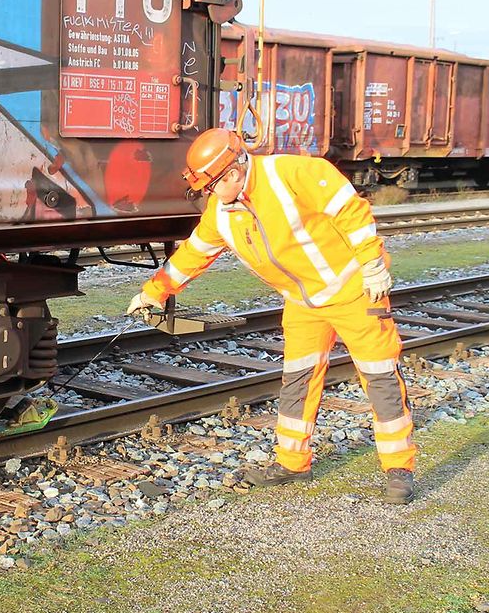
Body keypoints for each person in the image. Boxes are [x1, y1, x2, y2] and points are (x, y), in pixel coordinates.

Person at [128, 128, 416, 504]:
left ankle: (399, 470)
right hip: (302, 302)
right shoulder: (223, 210)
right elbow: (194, 254)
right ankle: (292, 462)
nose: (209, 195)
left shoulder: (292, 174)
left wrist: (373, 264)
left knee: (380, 379)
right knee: (297, 379)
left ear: (231, 173)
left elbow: (350, 209)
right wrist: (153, 292)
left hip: (355, 293)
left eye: (212, 186)